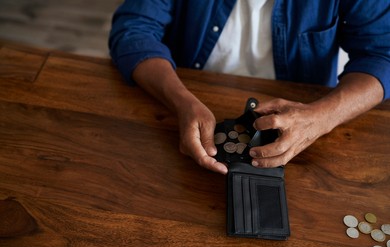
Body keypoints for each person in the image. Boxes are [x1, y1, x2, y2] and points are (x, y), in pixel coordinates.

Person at [109, 0, 390, 175]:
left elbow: (383, 56)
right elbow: (133, 29)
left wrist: (322, 117)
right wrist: (180, 101)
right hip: (181, 105)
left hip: (306, 136)